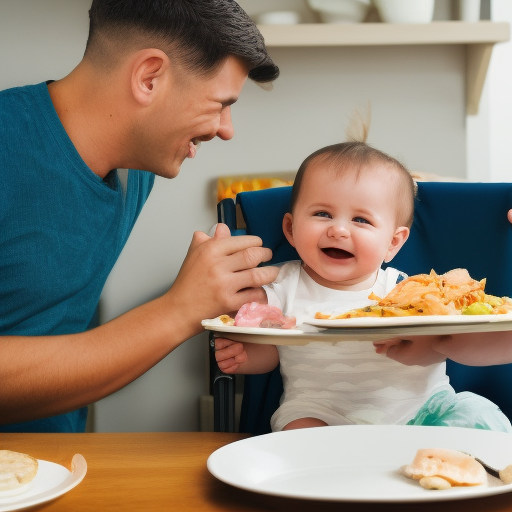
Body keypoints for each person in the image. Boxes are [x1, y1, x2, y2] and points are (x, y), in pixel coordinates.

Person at [0, 0, 281, 432]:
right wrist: (178, 311)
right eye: (220, 103)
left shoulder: (137, 168)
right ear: (149, 77)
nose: (227, 129)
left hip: (53, 468)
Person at [215, 140, 512, 433]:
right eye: (322, 214)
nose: (338, 229)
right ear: (291, 229)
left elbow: (446, 340)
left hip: (423, 412)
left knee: (478, 413)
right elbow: (269, 351)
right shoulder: (279, 286)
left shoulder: (406, 290)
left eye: (361, 219)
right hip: (321, 413)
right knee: (300, 430)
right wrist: (245, 357)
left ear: (393, 243)